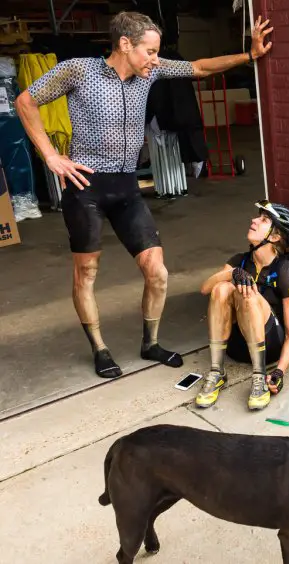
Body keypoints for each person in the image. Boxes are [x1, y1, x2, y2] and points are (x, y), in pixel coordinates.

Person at [15, 12, 273, 378]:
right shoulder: (78, 70)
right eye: (149, 51)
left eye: (156, 52)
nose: (155, 59)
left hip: (126, 187)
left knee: (158, 272)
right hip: (85, 187)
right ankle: (100, 348)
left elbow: (197, 67)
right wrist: (51, 156)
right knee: (86, 272)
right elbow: (26, 101)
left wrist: (248, 56)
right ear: (125, 44)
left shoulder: (148, 72)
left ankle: (149, 343)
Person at [196, 201, 289, 410]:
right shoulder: (239, 261)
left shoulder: (283, 270)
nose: (254, 220)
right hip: (236, 347)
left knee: (249, 294)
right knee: (221, 288)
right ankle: (217, 371)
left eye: (263, 220)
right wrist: (231, 274)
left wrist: (280, 371)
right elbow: (205, 289)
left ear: (274, 236)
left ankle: (259, 377)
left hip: (269, 345)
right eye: (257, 217)